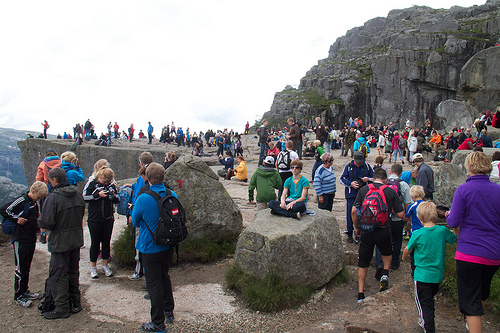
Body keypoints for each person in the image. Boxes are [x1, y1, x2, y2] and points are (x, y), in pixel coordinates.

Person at [445, 152, 500, 333]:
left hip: (469, 252)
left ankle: (473, 325)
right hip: (493, 253)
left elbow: (453, 222)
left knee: (470, 302)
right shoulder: (498, 190)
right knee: (481, 293)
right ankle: (474, 324)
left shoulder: (464, 190)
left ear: (469, 167)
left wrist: (449, 214)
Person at [132, 163, 178, 332]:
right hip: (168, 245)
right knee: (164, 277)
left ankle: (158, 323)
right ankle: (169, 311)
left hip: (149, 247)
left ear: (148, 178)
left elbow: (135, 221)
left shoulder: (143, 197)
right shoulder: (171, 194)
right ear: (163, 177)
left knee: (153, 284)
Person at [351, 168, 404, 303]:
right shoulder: (391, 191)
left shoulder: (364, 190)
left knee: (363, 263)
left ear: (373, 179)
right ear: (385, 180)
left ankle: (361, 294)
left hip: (366, 230)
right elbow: (401, 214)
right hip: (384, 230)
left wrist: (357, 228)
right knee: (387, 255)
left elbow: (353, 211)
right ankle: (385, 274)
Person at [402, 201, 457, 333]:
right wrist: (455, 225)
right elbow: (455, 238)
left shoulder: (417, 234)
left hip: (421, 275)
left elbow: (407, 249)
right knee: (429, 300)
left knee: (423, 304)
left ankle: (427, 326)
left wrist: (404, 257)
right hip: (437, 274)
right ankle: (427, 321)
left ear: (419, 218)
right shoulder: (442, 231)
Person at [39, 167, 85, 319]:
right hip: (76, 239)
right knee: (73, 271)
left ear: (54, 180)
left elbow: (47, 222)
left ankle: (62, 308)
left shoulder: (54, 197)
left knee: (58, 274)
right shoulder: (78, 194)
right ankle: (75, 303)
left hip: (60, 242)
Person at [0, 181, 48, 308]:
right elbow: (4, 209)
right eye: (38, 197)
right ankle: (18, 295)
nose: (39, 199)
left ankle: (25, 290)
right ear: (32, 192)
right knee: (20, 268)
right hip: (20, 238)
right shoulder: (21, 200)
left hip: (30, 238)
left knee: (26, 266)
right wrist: (16, 219)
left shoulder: (33, 202)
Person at [374, 163, 411, 274]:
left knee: (382, 240)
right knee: (396, 240)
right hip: (398, 219)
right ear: (400, 173)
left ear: (390, 171)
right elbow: (407, 203)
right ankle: (395, 262)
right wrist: (407, 218)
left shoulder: (383, 183)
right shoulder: (403, 185)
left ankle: (380, 263)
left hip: (383, 217)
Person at [83, 166, 119, 278]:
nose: (106, 183)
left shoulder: (112, 185)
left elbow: (117, 199)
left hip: (108, 218)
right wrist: (97, 195)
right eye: (104, 181)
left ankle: (105, 265)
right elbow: (84, 197)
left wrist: (112, 196)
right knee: (95, 243)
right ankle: (93, 267)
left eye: (108, 181)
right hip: (95, 218)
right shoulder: (92, 184)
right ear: (99, 177)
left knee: (106, 242)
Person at [126, 152, 154, 281]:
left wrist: (132, 214)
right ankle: (146, 271)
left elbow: (139, 197)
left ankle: (140, 272)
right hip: (150, 218)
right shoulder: (153, 173)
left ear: (141, 163)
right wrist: (131, 186)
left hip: (141, 217)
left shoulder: (145, 176)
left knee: (139, 244)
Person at [340, 151, 374, 243]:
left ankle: (360, 234)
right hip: (351, 194)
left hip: (364, 194)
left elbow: (374, 178)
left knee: (364, 214)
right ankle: (349, 233)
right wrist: (351, 184)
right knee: (350, 214)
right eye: (357, 162)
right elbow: (342, 179)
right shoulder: (348, 167)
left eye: (360, 162)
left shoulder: (366, 166)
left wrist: (368, 179)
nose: (359, 164)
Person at [35, 148, 62, 244]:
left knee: (44, 211)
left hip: (46, 190)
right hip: (59, 189)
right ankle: (57, 233)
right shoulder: (61, 162)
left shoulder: (43, 164)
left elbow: (39, 179)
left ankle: (43, 235)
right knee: (59, 211)